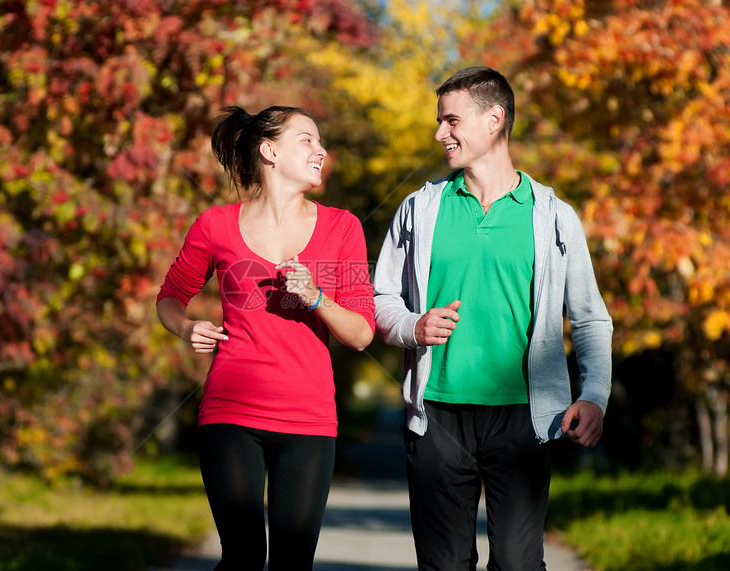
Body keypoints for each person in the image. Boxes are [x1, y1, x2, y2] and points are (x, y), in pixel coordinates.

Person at [373, 66, 613, 570]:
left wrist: (593, 395)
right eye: (440, 122)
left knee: (518, 564)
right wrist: (413, 326)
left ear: (493, 121)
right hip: (435, 414)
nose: (441, 134)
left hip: (526, 416)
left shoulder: (552, 215)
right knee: (443, 566)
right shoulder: (420, 209)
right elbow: (381, 298)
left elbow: (590, 317)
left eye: (451, 121)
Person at [157, 105, 375, 570]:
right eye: (307, 140)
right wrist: (188, 327)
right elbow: (171, 297)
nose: (321, 151)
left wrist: (317, 297)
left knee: (292, 564)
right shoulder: (214, 225)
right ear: (269, 151)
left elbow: (361, 334)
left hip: (309, 422)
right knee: (243, 556)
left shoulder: (343, 228)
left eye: (319, 142)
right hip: (231, 414)